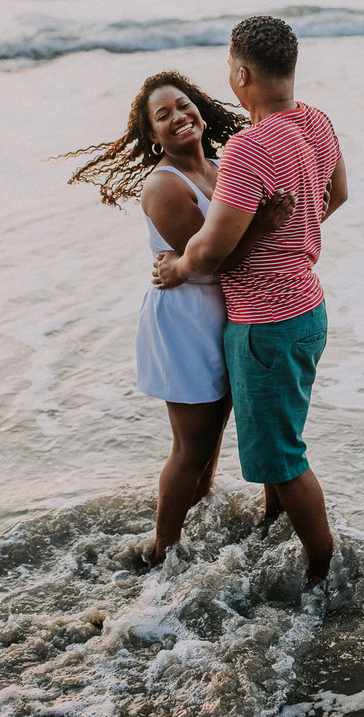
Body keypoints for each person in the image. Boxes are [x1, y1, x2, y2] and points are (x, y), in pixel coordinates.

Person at [63, 70, 293, 566]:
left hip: (230, 311)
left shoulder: (220, 166)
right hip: (187, 322)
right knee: (192, 446)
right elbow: (213, 259)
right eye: (163, 115)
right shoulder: (164, 186)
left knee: (216, 438)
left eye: (183, 105)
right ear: (153, 135)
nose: (179, 117)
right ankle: (161, 550)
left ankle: (207, 512)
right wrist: (264, 225)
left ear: (200, 109)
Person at [153, 16, 348, 586]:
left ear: (241, 74)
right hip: (308, 308)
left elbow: (208, 253)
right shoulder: (316, 120)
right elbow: (337, 193)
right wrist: (294, 236)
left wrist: (175, 267)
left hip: (265, 323)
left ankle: (322, 574)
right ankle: (273, 526)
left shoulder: (247, 148)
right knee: (280, 443)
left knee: (282, 458)